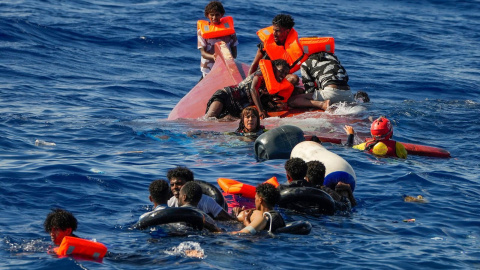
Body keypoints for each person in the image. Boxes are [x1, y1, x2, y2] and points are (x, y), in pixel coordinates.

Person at [205, 59, 290, 120]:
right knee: (210, 118)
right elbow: (253, 89)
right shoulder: (261, 74)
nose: (283, 75)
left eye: (285, 73)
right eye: (281, 71)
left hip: (236, 108)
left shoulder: (271, 86)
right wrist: (261, 111)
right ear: (274, 69)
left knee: (227, 119)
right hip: (225, 96)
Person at [288, 51, 360, 110]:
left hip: (330, 94)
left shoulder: (305, 64)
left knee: (292, 101)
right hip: (348, 95)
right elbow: (345, 78)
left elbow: (309, 89)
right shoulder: (334, 58)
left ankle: (322, 105)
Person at [167, 166, 233, 220]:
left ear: (189, 184)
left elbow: (230, 220)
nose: (174, 187)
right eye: (172, 185)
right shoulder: (171, 202)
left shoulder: (207, 201)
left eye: (179, 184)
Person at [197, 1, 238, 78]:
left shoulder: (229, 30)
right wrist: (213, 57)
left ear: (221, 15)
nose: (214, 17)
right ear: (207, 15)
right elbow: (203, 53)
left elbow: (234, 51)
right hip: (208, 68)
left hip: (225, 67)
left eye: (217, 15)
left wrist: (230, 61)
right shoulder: (202, 32)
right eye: (212, 15)